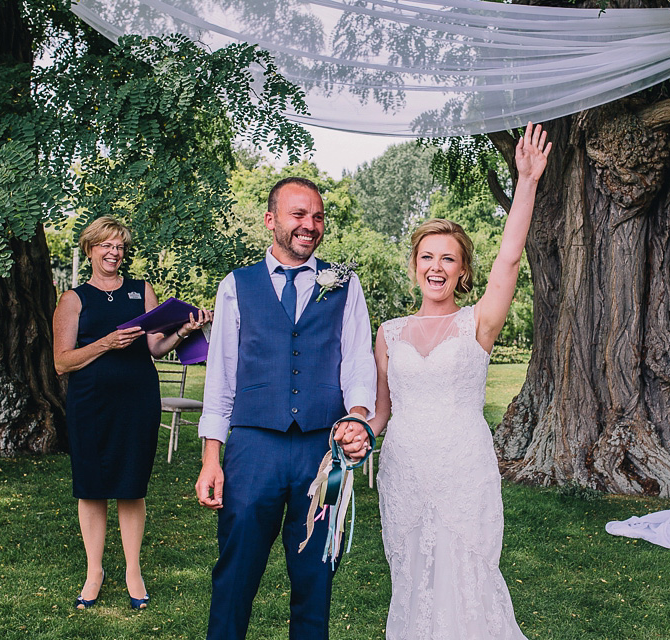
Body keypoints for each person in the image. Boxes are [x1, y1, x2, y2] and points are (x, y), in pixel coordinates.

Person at [370, 122, 552, 639]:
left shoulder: (478, 323)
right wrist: (356, 432)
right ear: (414, 266)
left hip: (462, 468)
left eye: (447, 258)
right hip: (404, 468)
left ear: (462, 271)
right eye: (427, 256)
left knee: (466, 573)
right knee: (411, 576)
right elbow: (381, 412)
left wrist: (527, 182)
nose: (436, 266)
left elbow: (510, 260)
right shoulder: (388, 332)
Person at [195, 177, 376, 640]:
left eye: (317, 217)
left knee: (316, 579)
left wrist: (356, 416)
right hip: (253, 449)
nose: (309, 225)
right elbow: (221, 377)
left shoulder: (345, 284)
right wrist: (211, 459)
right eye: (298, 215)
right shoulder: (236, 286)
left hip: (321, 449)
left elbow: (357, 361)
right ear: (271, 220)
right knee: (235, 575)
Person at [53, 216, 211, 611]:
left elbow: (156, 348)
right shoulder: (73, 299)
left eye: (120, 246)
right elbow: (62, 363)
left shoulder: (142, 291)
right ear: (90, 249)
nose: (114, 252)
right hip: (90, 403)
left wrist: (185, 332)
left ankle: (132, 570)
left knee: (131, 484)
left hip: (137, 398)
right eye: (106, 245)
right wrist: (105, 343)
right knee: (91, 486)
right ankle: (94, 572)